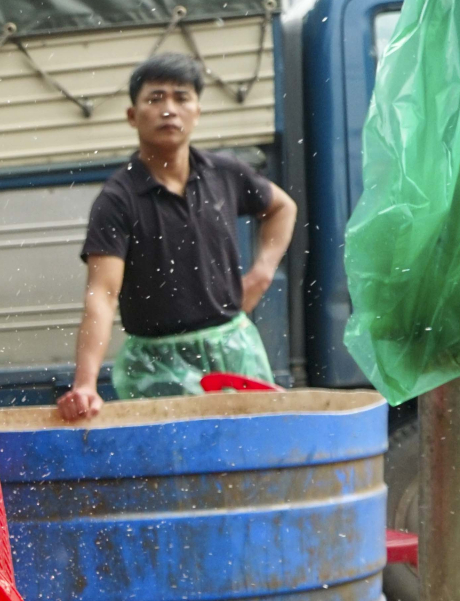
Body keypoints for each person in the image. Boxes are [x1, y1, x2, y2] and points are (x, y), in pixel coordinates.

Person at [57, 53, 298, 421]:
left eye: (181, 97)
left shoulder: (225, 173)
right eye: (155, 99)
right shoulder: (117, 200)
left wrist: (262, 273)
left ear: (197, 111)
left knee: (247, 460)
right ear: (132, 116)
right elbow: (101, 296)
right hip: (158, 369)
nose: (169, 109)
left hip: (235, 354)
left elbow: (283, 208)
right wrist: (85, 384)